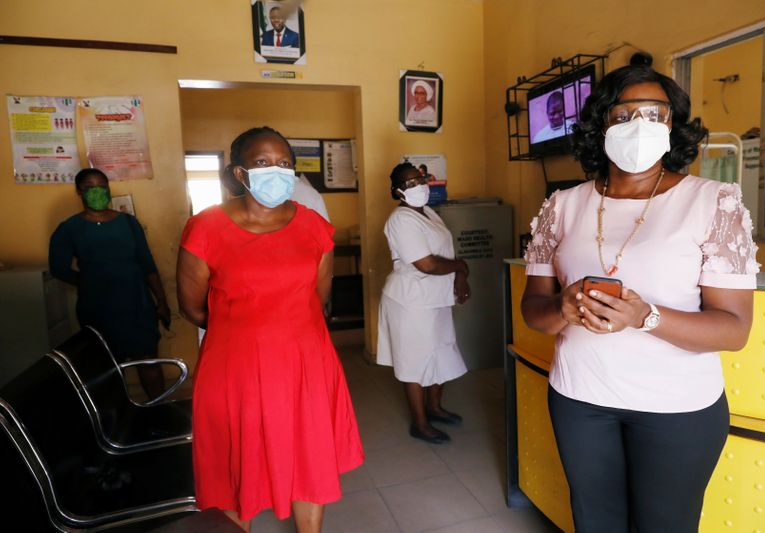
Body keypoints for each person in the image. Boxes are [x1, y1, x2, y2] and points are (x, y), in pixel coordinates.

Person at [521, 65, 759, 532]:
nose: (639, 125)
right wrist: (563, 309)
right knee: (595, 522)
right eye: (625, 113)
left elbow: (734, 329)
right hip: (579, 398)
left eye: (655, 114)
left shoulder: (714, 202)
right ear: (600, 123)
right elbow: (534, 310)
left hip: (677, 408)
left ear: (673, 125)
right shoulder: (562, 206)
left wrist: (645, 316)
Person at [177, 126, 363, 532]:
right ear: (240, 173)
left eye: (284, 164)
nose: (276, 171)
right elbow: (191, 307)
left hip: (305, 364)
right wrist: (247, 328)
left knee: (308, 456)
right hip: (235, 369)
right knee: (238, 464)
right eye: (262, 163)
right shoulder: (205, 228)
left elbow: (317, 295)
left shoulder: (313, 226)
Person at [49, 168, 170, 399]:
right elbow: (58, 268)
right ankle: (118, 421)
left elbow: (147, 263)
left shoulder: (128, 223)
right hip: (98, 310)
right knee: (107, 369)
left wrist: (161, 301)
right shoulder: (69, 229)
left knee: (149, 364)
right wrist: (89, 281)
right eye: (90, 188)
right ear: (79, 192)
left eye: (102, 187)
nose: (98, 192)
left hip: (137, 305)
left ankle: (157, 413)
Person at [377, 162, 470, 444]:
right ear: (397, 192)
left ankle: (434, 407)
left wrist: (458, 276)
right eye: (409, 183)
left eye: (420, 179)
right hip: (410, 301)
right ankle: (420, 422)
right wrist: (461, 268)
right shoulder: (400, 220)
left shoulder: (427, 212)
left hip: (435, 299)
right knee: (415, 361)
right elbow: (427, 264)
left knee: (440, 352)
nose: (418, 185)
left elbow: (443, 254)